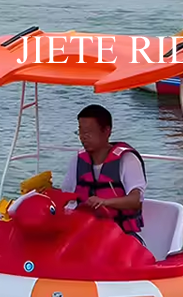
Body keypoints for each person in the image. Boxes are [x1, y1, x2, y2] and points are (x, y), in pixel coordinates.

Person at [61, 104, 147, 243]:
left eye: (88, 132)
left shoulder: (127, 160)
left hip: (120, 235)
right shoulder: (77, 161)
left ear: (107, 131)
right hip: (85, 232)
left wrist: (105, 202)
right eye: (80, 132)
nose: (83, 138)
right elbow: (65, 196)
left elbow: (135, 201)